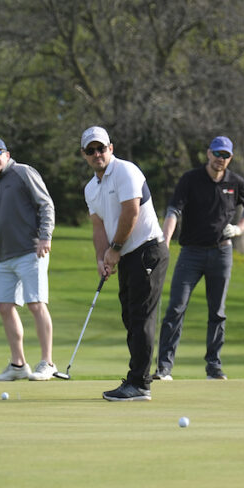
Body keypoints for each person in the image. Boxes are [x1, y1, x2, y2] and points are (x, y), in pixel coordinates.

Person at [154, 136, 244, 381]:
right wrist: (165, 242)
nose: (221, 159)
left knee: (217, 312)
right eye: (217, 154)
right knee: (176, 308)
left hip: (222, 252)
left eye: (226, 156)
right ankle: (164, 367)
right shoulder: (191, 179)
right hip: (191, 252)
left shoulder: (235, 182)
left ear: (230, 158)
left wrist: (241, 227)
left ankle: (214, 366)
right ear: (208, 154)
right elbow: (174, 210)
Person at [81, 126, 169, 401]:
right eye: (91, 150)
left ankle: (140, 383)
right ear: (84, 155)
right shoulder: (91, 188)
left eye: (101, 148)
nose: (97, 154)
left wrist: (115, 249)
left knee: (141, 317)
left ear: (111, 147)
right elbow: (98, 227)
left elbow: (131, 211)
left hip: (148, 250)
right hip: (127, 254)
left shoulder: (126, 171)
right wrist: (101, 257)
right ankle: (137, 379)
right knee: (130, 317)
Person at [0, 136, 58, 382]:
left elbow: (46, 205)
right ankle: (18, 364)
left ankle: (48, 362)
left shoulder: (22, 172)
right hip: (7, 256)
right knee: (4, 307)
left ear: (7, 154)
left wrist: (45, 237)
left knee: (36, 304)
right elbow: (5, 222)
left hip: (31, 251)